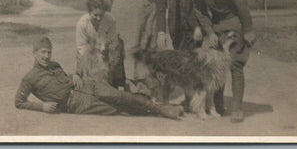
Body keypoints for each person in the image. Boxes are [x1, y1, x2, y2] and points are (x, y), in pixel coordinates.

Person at [15, 37, 183, 119]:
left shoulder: (55, 65)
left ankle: (162, 109)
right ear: (34, 54)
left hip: (88, 86)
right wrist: (41, 106)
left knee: (119, 96)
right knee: (117, 110)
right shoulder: (29, 78)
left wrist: (75, 76)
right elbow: (19, 102)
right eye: (42, 52)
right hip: (76, 104)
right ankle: (156, 109)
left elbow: (65, 77)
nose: (46, 56)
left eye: (48, 52)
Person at [182, 0, 257, 123]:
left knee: (235, 63)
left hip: (235, 20)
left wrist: (248, 29)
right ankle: (218, 105)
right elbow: (200, 10)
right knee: (215, 64)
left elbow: (241, 4)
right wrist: (209, 31)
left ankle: (237, 108)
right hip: (216, 24)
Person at [75, 0, 125, 88]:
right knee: (86, 70)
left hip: (106, 47)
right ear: (89, 12)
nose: (99, 18)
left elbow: (113, 41)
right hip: (89, 49)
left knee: (118, 48)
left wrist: (106, 53)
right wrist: (93, 60)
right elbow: (81, 47)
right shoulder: (82, 24)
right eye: (95, 15)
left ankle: (115, 83)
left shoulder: (110, 20)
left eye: (101, 15)